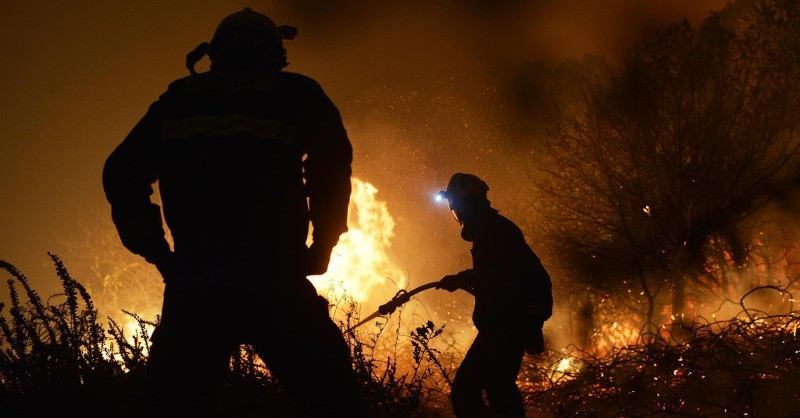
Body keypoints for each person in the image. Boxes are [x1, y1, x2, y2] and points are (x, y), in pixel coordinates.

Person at [102, 8, 365, 417]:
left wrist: (158, 252)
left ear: (214, 55)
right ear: (277, 56)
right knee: (335, 401)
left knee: (174, 404)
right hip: (275, 281)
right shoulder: (297, 95)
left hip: (198, 283)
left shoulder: (180, 101)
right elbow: (331, 168)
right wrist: (323, 242)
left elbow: (122, 171)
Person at [436, 173, 552, 418]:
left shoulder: (500, 234)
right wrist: (460, 279)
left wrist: (533, 325)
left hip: (509, 326)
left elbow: (537, 279)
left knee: (494, 387)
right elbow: (492, 273)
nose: (458, 215)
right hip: (496, 328)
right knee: (468, 390)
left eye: (459, 208)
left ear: (470, 206)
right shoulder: (489, 233)